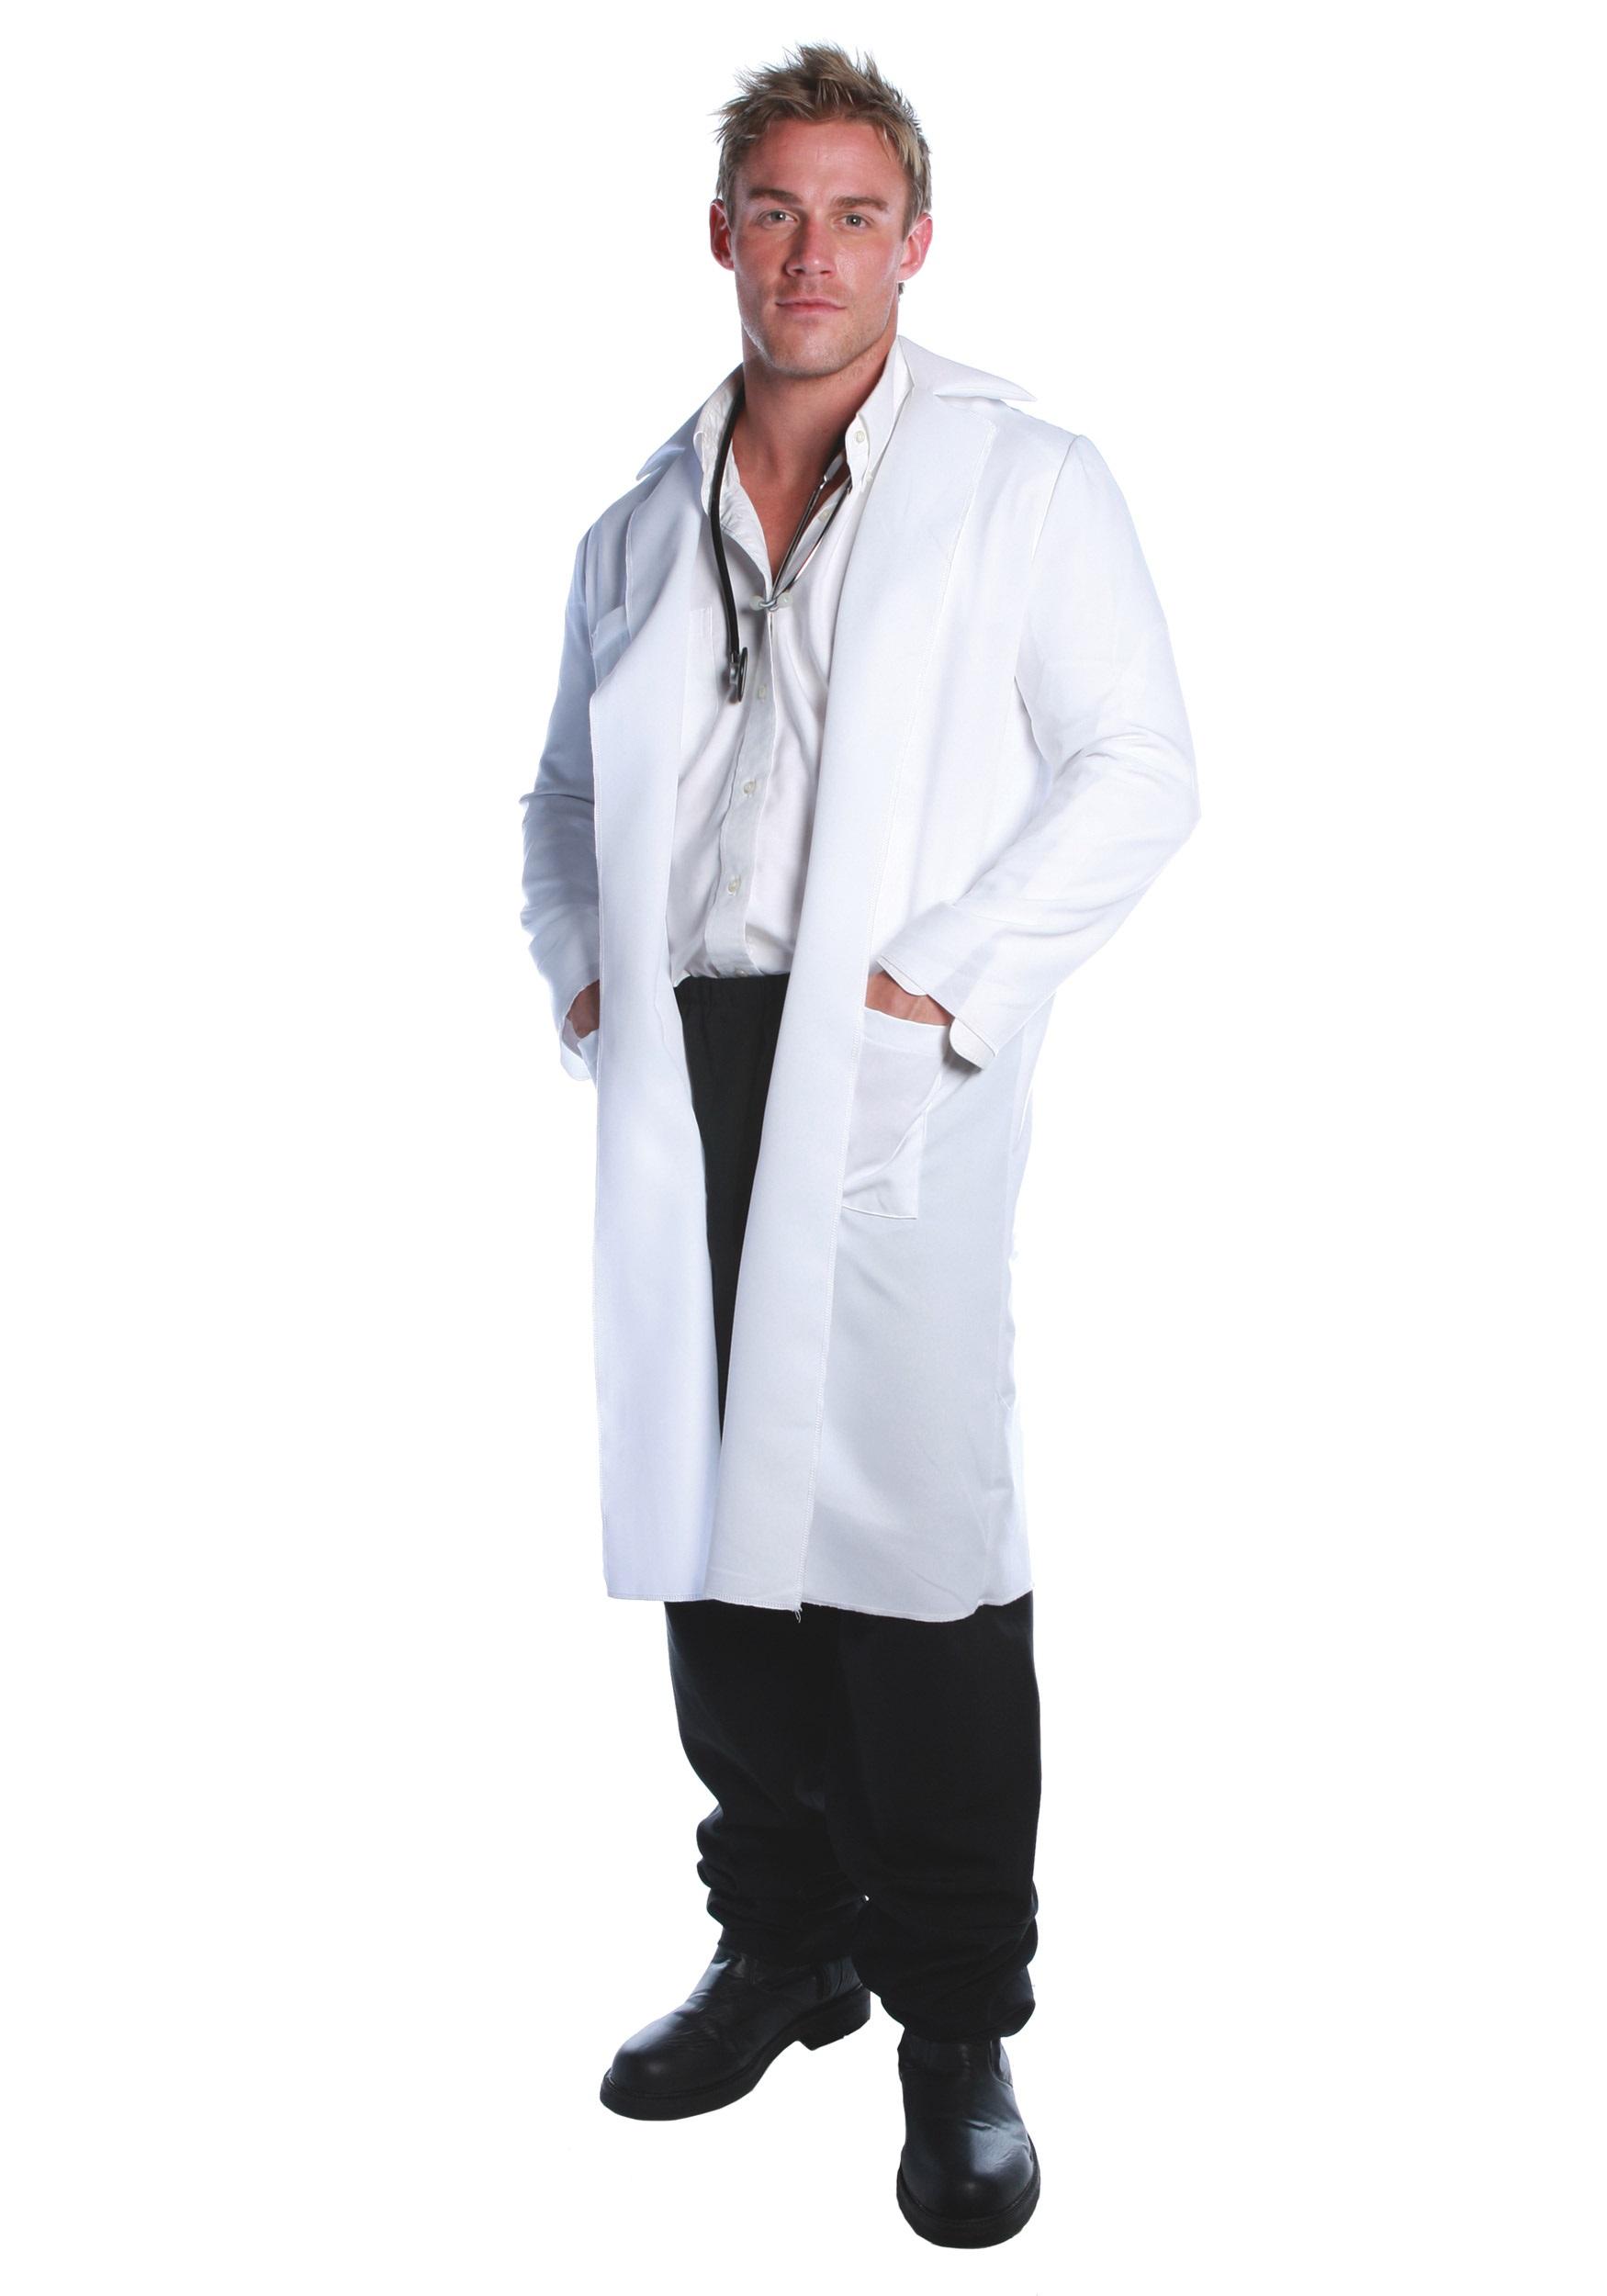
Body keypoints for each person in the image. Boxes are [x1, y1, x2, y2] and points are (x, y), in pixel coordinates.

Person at [518, 42, 1197, 2250]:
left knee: (918, 1561)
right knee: (713, 1537)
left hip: (886, 1066)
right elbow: (561, 796)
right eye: (774, 212)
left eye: (853, 214)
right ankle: (782, 1932)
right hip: (678, 1066)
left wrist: (938, 980)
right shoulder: (638, 520)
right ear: (719, 237)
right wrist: (588, 977)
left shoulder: (1021, 481)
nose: (810, 253)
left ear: (915, 243)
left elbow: (1134, 767)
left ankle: (954, 2020)